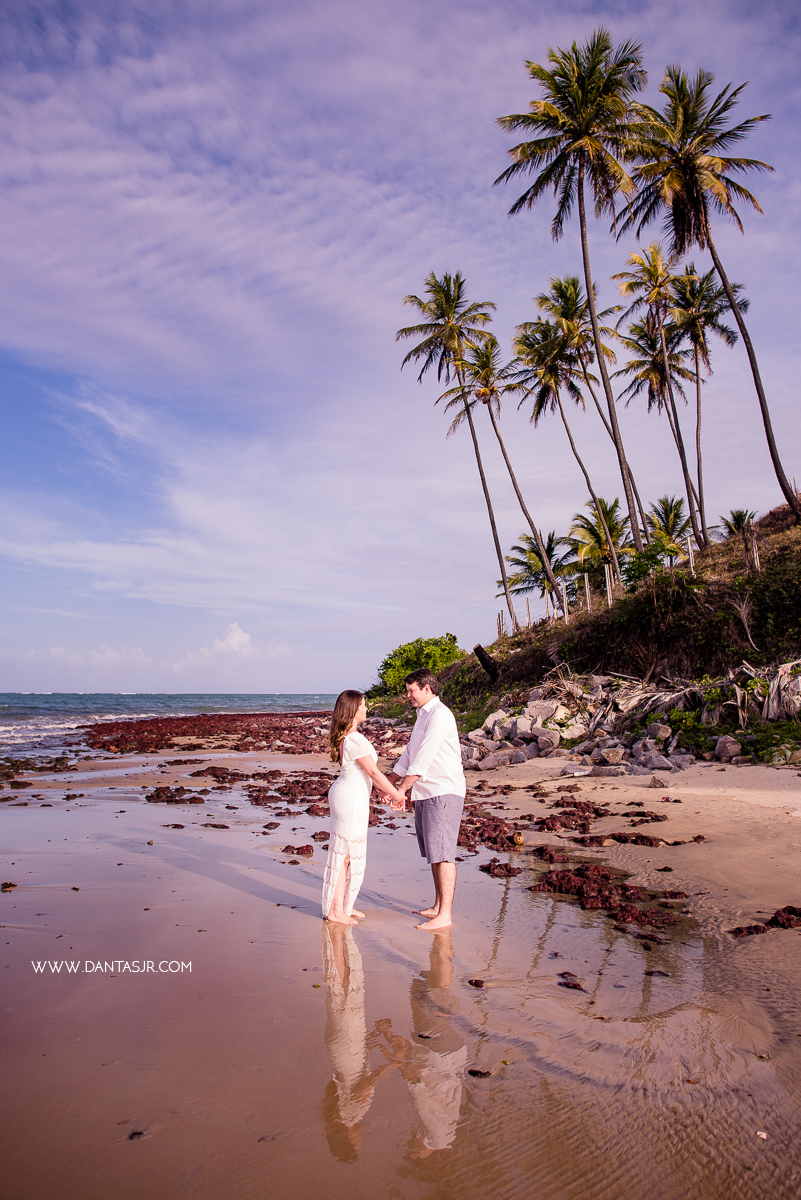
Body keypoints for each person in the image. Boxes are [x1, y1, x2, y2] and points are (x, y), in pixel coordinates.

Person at [387, 668, 466, 930]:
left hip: (443, 791)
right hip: (426, 792)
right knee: (434, 852)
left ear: (427, 689)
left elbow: (424, 759)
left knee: (443, 853)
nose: (408, 695)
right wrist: (388, 782)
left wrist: (401, 792)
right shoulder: (422, 716)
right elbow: (410, 754)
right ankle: (437, 906)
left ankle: (446, 915)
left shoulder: (440, 715)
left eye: (411, 691)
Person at [322, 689, 406, 925]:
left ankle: (344, 907)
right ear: (353, 709)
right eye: (363, 704)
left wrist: (383, 792)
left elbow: (368, 775)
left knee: (347, 854)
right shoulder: (354, 738)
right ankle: (335, 911)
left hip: (353, 795)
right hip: (349, 798)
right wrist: (397, 794)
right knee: (344, 855)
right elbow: (372, 771)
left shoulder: (349, 737)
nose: (366, 708)